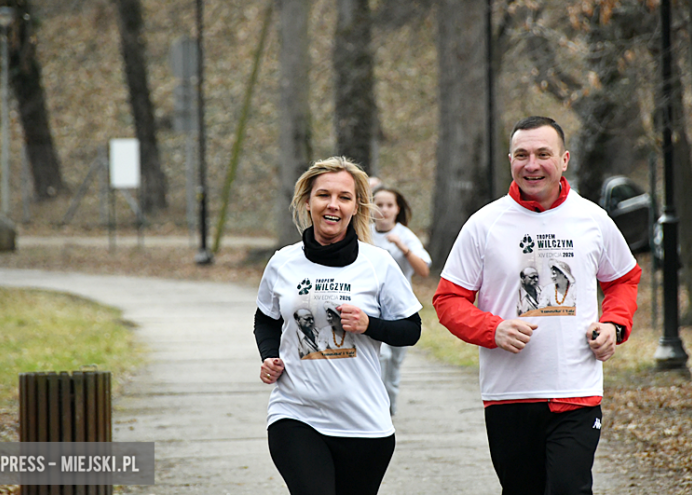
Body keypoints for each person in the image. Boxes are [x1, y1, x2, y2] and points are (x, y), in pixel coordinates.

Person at [433, 116, 642, 495]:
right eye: (522, 155)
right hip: (508, 395)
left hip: (574, 391)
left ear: (564, 160)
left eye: (543, 154)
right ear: (510, 160)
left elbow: (623, 279)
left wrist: (614, 325)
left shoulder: (593, 219)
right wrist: (492, 329)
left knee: (569, 488)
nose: (532, 165)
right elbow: (448, 300)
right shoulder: (484, 224)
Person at [253, 156, 423, 495]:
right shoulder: (283, 262)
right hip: (295, 413)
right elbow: (265, 319)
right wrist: (270, 356)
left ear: (356, 206)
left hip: (364, 424)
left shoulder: (377, 264)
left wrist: (368, 324)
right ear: (307, 202)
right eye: (323, 195)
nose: (333, 205)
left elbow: (411, 329)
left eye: (344, 197)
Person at [371, 185, 431, 415]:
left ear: (397, 209)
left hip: (399, 309)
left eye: (389, 205)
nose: (384, 210)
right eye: (379, 204)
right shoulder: (363, 232)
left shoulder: (405, 235)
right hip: (372, 307)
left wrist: (402, 248)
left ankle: (390, 409)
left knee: (394, 364)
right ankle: (378, 409)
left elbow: (424, 270)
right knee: (382, 356)